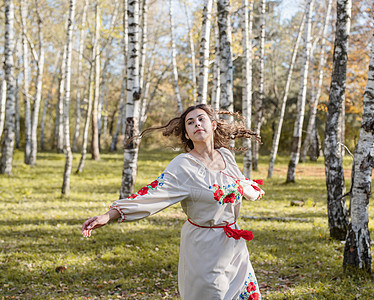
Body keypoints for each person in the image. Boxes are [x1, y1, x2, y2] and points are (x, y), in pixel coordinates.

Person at [82, 104, 265, 300]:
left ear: (213, 125)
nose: (197, 124)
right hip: (204, 246)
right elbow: (151, 194)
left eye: (201, 119)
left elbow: (238, 181)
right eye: (190, 122)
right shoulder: (183, 165)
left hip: (234, 244)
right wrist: (109, 215)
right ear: (186, 134)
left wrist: (251, 189)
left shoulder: (226, 156)